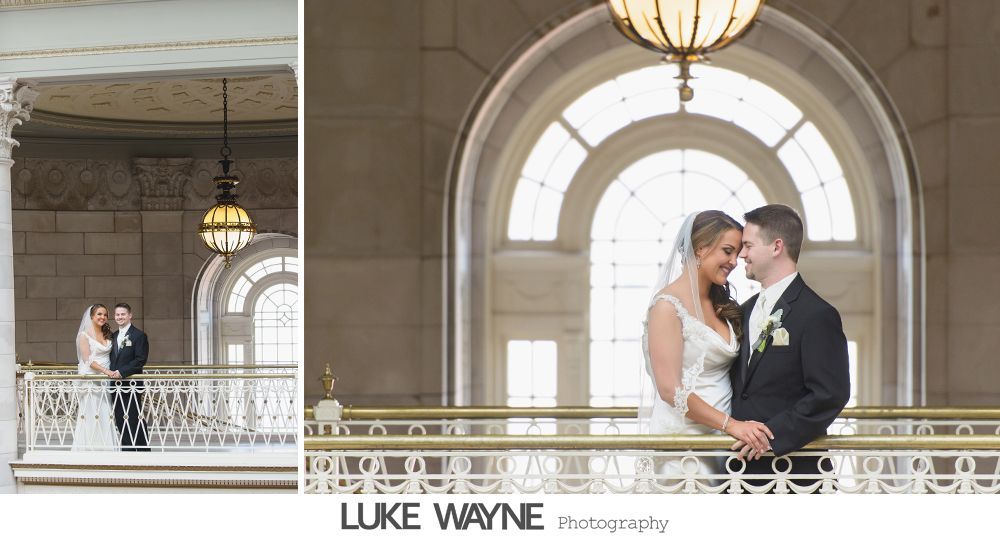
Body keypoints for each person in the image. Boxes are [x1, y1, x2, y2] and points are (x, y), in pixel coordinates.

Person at [639, 210, 773, 481]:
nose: (734, 261)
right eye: (727, 251)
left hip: (724, 445)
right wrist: (731, 424)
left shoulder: (721, 304)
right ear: (700, 248)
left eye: (737, 253)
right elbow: (669, 390)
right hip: (683, 443)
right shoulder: (667, 307)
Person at [729, 204, 850, 491]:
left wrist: (770, 436)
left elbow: (830, 393)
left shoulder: (817, 315)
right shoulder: (743, 312)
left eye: (747, 245)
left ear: (776, 247)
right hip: (739, 473)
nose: (741, 254)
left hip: (796, 473)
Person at [71, 304, 120, 451]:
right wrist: (106, 371)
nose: (102, 317)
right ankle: (90, 448)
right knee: (92, 412)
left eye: (105, 315)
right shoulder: (83, 335)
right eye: (99, 314)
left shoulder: (108, 334)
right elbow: (87, 360)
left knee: (106, 412)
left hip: (106, 380)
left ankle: (107, 447)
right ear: (91, 316)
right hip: (92, 378)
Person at [109, 302, 151, 451]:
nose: (120, 317)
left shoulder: (139, 335)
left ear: (130, 315)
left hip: (131, 384)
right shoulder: (113, 336)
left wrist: (122, 372)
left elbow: (140, 360)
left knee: (133, 417)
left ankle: (142, 450)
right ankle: (127, 449)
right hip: (115, 385)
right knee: (120, 418)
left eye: (123, 314)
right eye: (117, 314)